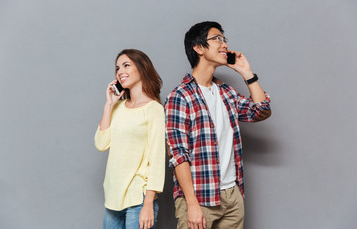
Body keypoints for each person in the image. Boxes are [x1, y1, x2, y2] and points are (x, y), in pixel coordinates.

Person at [165, 21, 271, 229]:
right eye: (217, 39)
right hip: (199, 197)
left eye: (225, 39)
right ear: (199, 48)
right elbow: (179, 155)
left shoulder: (226, 93)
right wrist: (192, 204)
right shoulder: (180, 96)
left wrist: (246, 73)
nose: (224, 45)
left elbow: (261, 111)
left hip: (232, 195)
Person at [94, 49, 165, 229]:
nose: (120, 71)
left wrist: (148, 203)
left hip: (138, 198)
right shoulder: (117, 108)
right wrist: (109, 104)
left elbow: (157, 160)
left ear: (141, 69)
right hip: (113, 198)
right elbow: (101, 144)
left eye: (126, 65)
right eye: (117, 68)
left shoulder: (153, 109)